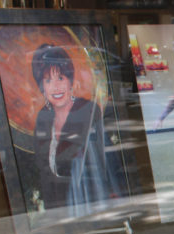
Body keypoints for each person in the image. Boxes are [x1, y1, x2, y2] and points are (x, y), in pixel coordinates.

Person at [32, 43, 122, 215]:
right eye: (48, 80)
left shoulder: (88, 109)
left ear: (70, 80)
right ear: (42, 86)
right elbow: (42, 168)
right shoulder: (42, 117)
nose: (55, 87)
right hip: (57, 203)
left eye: (60, 78)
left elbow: (107, 159)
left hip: (90, 198)